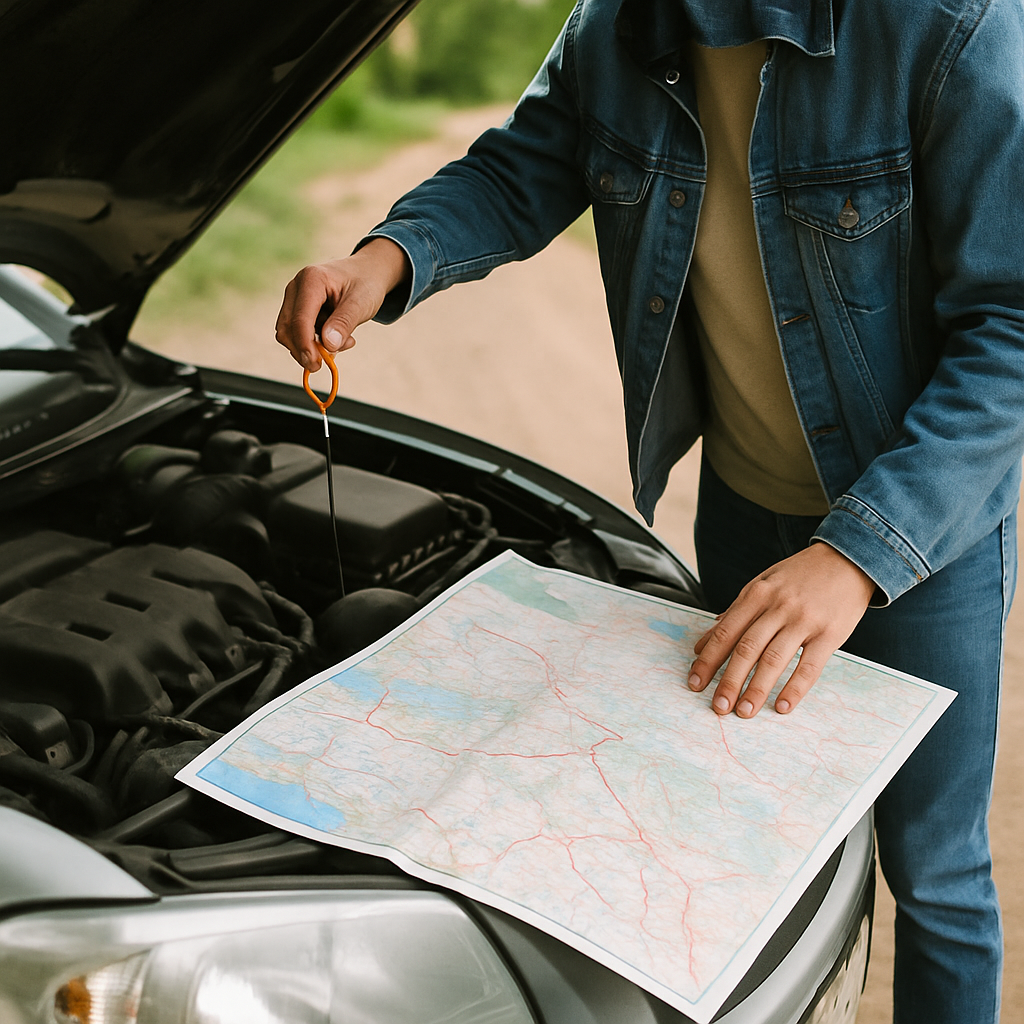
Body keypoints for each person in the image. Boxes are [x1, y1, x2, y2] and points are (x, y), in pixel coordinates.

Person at [275, 1, 1024, 1019]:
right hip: (741, 514)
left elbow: (1010, 329)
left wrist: (854, 556)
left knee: (932, 873)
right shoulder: (617, 28)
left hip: (916, 539)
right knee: (731, 840)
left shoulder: (950, 30)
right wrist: (385, 259)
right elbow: (519, 168)